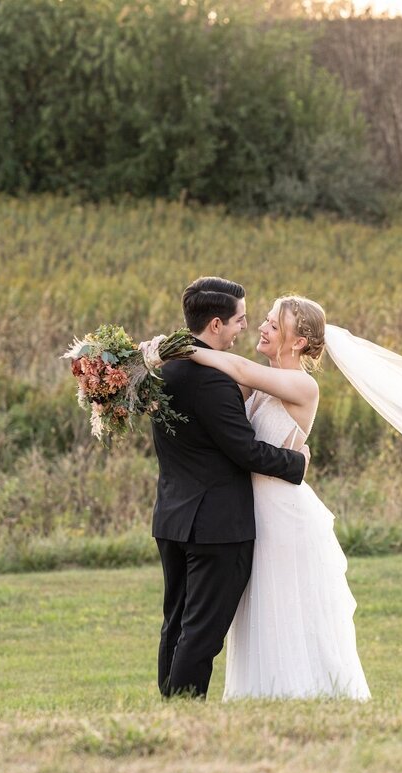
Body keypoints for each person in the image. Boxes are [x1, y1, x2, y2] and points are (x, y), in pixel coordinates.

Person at [144, 294, 370, 700]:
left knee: (287, 607)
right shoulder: (255, 385)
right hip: (248, 511)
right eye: (262, 320)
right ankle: (261, 694)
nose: (260, 329)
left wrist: (171, 347)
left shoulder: (300, 383)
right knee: (257, 613)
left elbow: (234, 366)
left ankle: (303, 691)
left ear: (298, 341)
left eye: (271, 324)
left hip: (282, 512)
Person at [149, 277, 308, 699]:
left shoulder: (164, 371)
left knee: (177, 622)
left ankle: (169, 705)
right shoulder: (216, 381)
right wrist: (299, 463)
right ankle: (183, 710)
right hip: (217, 525)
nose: (246, 328)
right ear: (216, 324)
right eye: (240, 320)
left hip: (172, 516)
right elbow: (245, 450)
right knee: (201, 631)